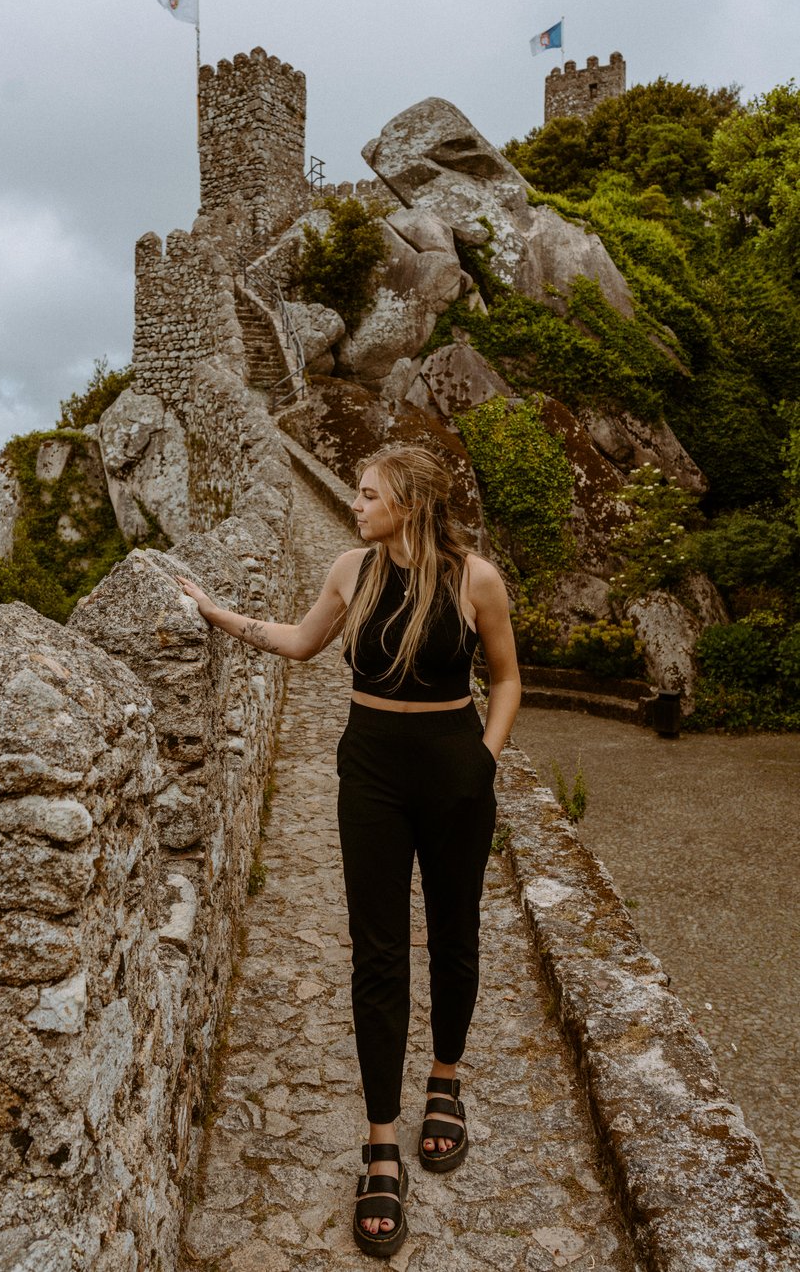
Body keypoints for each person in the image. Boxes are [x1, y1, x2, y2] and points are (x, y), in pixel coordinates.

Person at [178, 443, 521, 1258]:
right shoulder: (351, 571)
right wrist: (218, 613)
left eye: (370, 496)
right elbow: (301, 643)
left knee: (454, 934)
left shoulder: (475, 579)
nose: (357, 505)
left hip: (454, 773)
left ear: (409, 503)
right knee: (377, 954)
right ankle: (380, 1143)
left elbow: (506, 678)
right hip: (368, 772)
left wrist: (486, 756)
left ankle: (446, 1080)